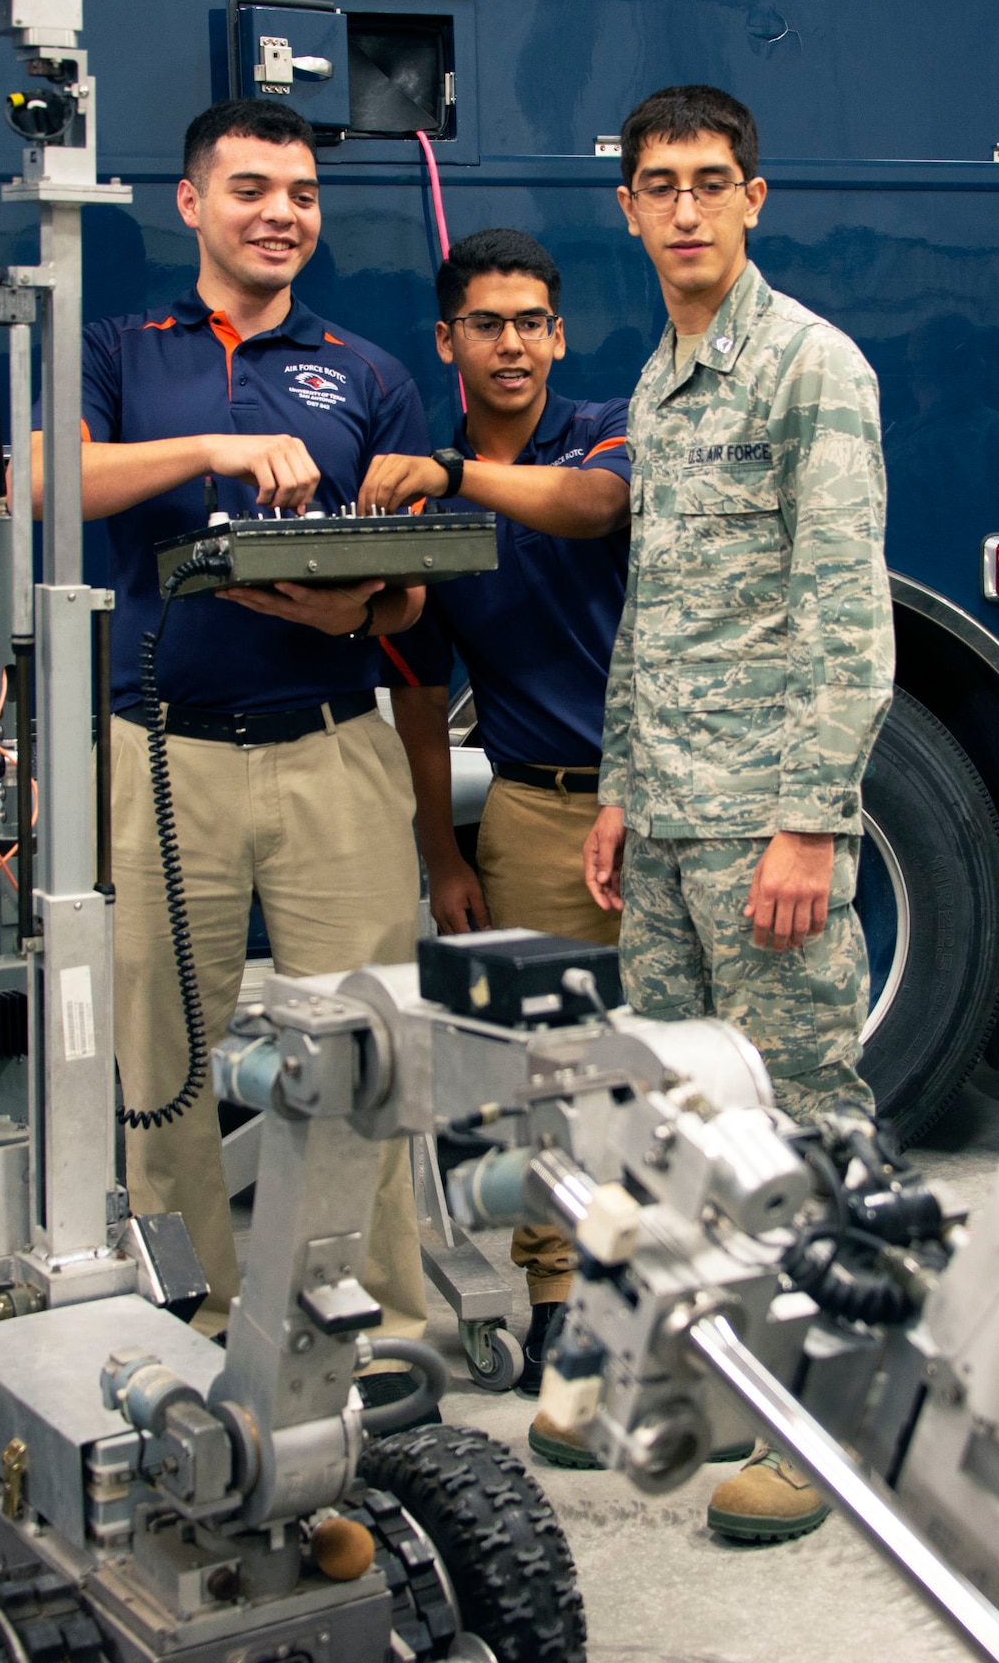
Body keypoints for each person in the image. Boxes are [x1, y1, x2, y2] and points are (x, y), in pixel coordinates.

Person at [28, 98, 431, 1339]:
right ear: (189, 202)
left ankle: (373, 1332)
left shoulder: (367, 373)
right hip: (160, 757)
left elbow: (412, 591)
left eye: (302, 193)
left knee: (366, 1049)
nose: (281, 214)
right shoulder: (111, 347)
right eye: (252, 189)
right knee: (156, 1068)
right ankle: (185, 1327)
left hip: (331, 749)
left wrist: (348, 616)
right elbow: (41, 478)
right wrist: (215, 445)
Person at [587, 84, 894, 1542]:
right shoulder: (662, 375)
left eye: (715, 181)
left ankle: (840, 1424)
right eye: (663, 184)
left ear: (755, 199)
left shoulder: (810, 369)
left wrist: (813, 825)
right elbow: (657, 609)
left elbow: (843, 619)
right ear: (631, 208)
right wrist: (617, 789)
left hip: (762, 829)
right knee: (683, 1130)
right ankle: (711, 1384)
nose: (690, 208)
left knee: (815, 1130)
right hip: (664, 832)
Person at [357, 228, 630, 1415]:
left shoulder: (614, 429)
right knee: (544, 1076)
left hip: (667, 803)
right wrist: (441, 853)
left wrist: (450, 477)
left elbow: (589, 507)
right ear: (446, 342)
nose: (510, 343)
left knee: (677, 1068)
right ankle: (560, 1301)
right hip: (534, 811)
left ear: (557, 336)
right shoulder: (419, 489)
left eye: (530, 321)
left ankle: (673, 1301)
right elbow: (418, 695)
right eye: (485, 324)